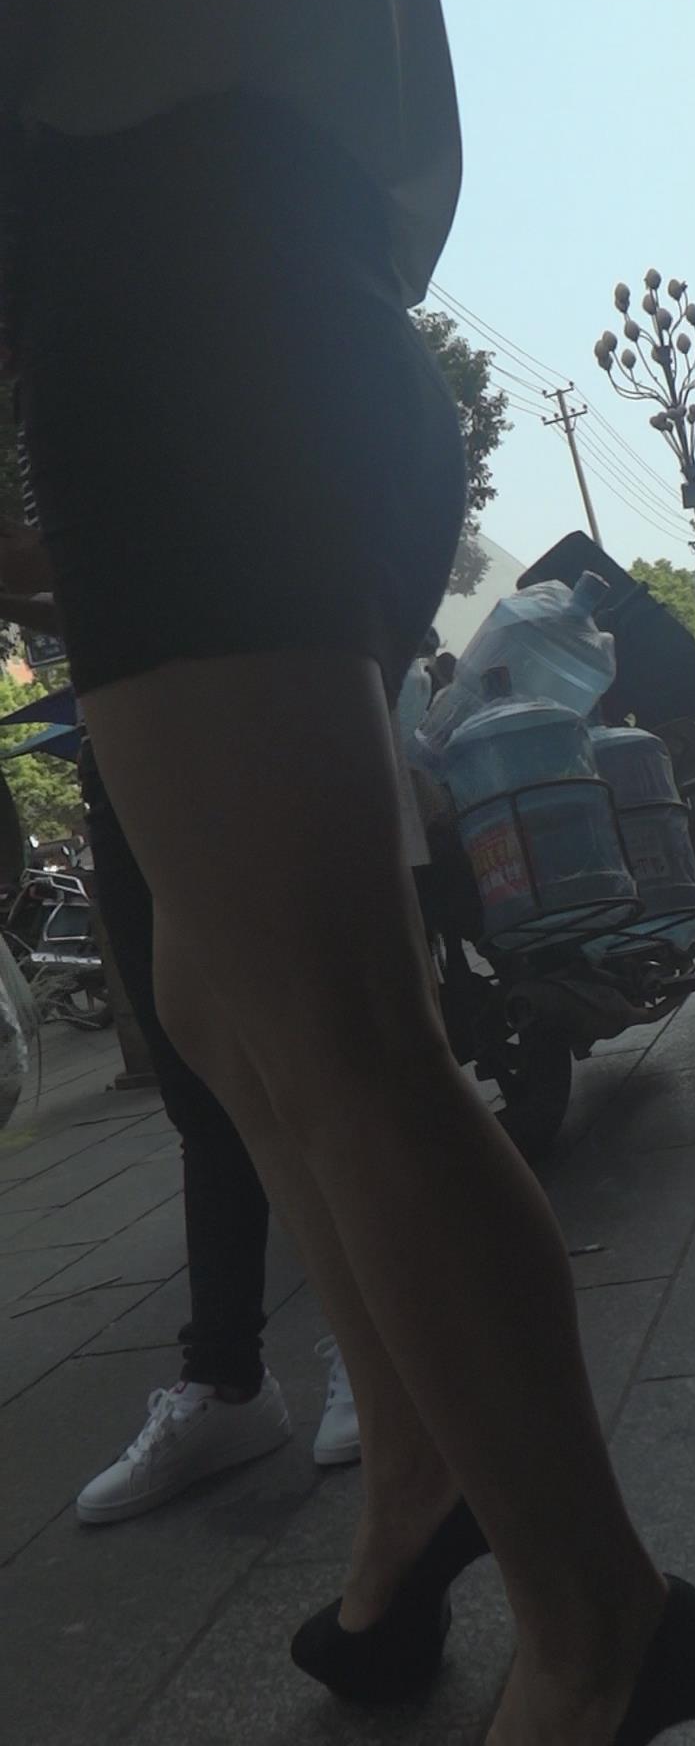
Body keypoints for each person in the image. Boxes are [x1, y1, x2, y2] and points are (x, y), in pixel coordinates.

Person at [2, 0, 695, 1744]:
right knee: (226, 995)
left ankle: (603, 1629)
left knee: (332, 1025)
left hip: (164, 288)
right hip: (293, 291)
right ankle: (415, 1481)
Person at [0, 572, 363, 1520]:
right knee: (200, 1083)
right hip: (119, 741)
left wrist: (44, 576)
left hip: (225, 711)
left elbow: (156, 559)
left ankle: (380, 1354)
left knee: (301, 1053)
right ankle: (231, 1375)